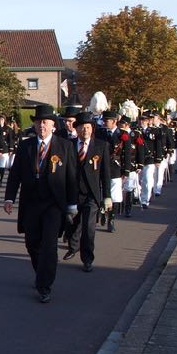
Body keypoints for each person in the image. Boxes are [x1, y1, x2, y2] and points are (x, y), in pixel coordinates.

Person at [3, 104, 78, 303]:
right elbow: (16, 173)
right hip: (31, 202)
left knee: (49, 244)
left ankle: (45, 285)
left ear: (53, 125)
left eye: (45, 122)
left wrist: (72, 205)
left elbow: (71, 177)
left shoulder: (65, 146)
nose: (41, 126)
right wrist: (9, 197)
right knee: (32, 243)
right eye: (38, 122)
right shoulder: (26, 146)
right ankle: (40, 271)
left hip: (54, 203)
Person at [62, 112, 111, 272]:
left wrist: (107, 196)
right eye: (82, 127)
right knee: (72, 224)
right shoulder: (69, 145)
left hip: (91, 194)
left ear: (92, 129)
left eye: (88, 127)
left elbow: (106, 173)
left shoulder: (101, 146)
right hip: (73, 193)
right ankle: (73, 247)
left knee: (89, 228)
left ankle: (87, 258)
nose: (85, 130)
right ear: (77, 129)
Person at [97, 110, 129, 231]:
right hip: (101, 166)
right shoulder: (99, 133)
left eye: (107, 120)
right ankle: (102, 211)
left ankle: (112, 219)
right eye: (104, 120)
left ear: (114, 121)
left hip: (115, 167)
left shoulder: (122, 134)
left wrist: (126, 171)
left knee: (114, 196)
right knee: (101, 192)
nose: (104, 122)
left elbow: (126, 154)